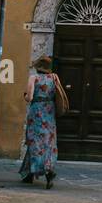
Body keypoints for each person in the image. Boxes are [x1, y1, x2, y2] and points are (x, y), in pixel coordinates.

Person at [20, 55, 62, 189]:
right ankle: (30, 173)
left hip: (36, 112)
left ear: (38, 67)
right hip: (49, 112)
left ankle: (47, 172)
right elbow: (58, 94)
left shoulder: (34, 78)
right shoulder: (54, 77)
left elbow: (29, 97)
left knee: (34, 141)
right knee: (48, 142)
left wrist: (25, 95)